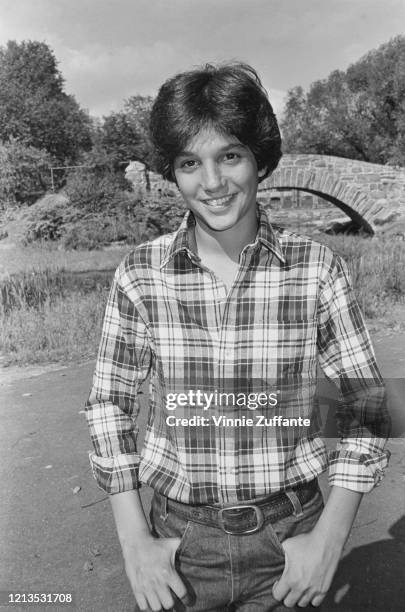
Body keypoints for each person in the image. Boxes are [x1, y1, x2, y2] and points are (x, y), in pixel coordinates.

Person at [85, 62, 390, 611]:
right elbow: (109, 406)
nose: (212, 183)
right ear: (172, 172)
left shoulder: (316, 268)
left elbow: (366, 406)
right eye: (189, 163)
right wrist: (135, 543)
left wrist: (329, 540)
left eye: (229, 155)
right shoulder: (140, 274)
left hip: (290, 536)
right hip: (180, 547)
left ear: (258, 157)